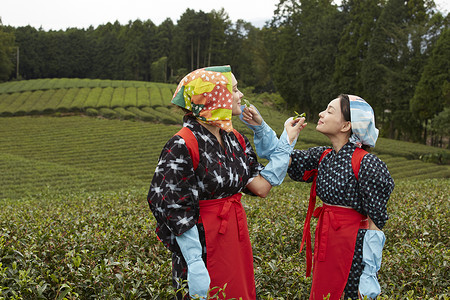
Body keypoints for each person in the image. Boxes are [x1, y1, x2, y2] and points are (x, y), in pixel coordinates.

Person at [147, 65, 303, 299]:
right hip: (201, 244)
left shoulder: (235, 138)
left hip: (234, 235)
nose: (241, 95)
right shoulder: (183, 143)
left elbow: (261, 186)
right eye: (235, 89)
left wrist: (285, 142)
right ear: (213, 97)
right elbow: (170, 205)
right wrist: (194, 260)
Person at [241, 94, 394, 300]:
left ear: (346, 125)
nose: (321, 114)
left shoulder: (368, 164)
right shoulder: (323, 156)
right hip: (326, 237)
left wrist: (369, 273)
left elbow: (376, 225)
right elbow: (281, 156)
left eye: (330, 111)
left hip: (351, 246)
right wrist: (260, 126)